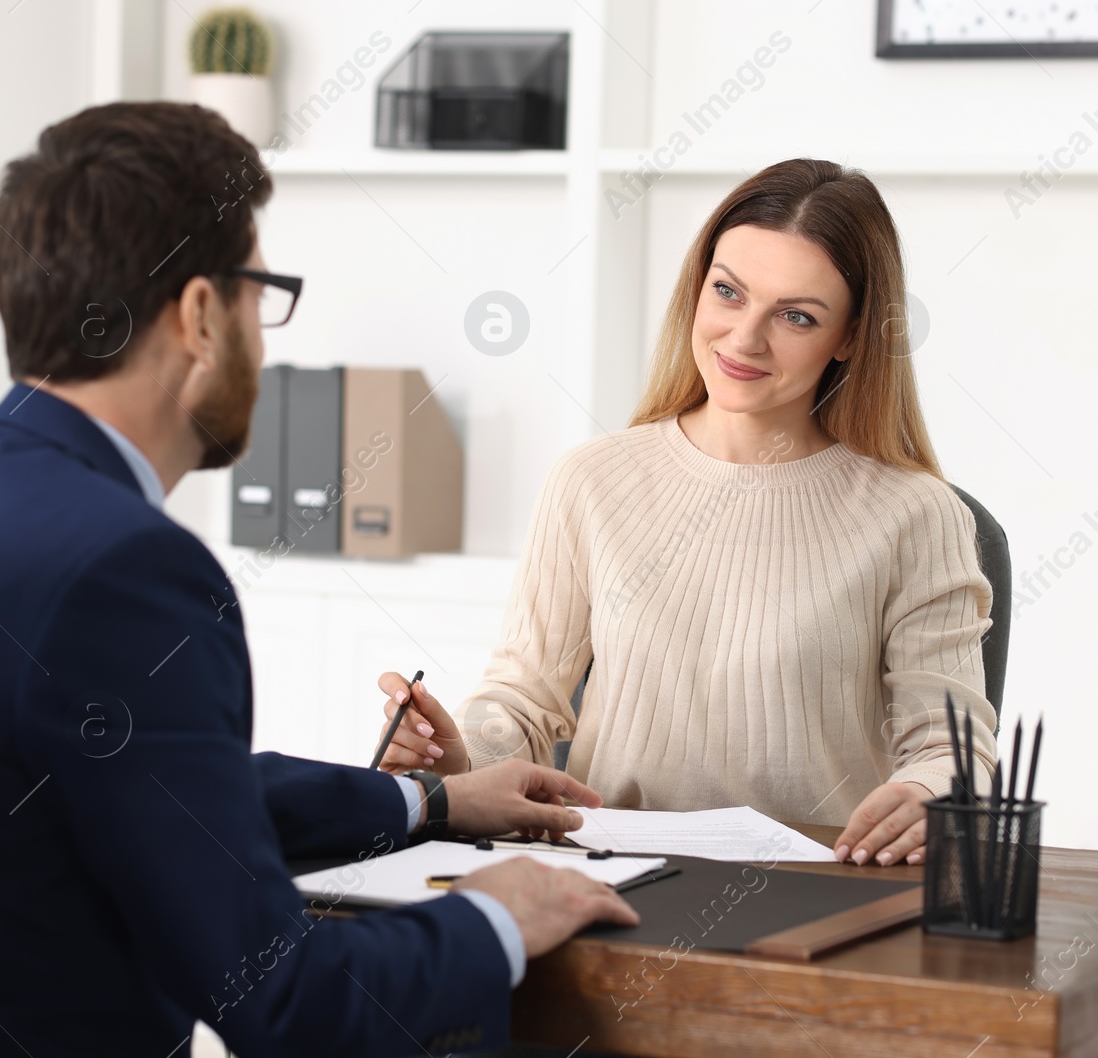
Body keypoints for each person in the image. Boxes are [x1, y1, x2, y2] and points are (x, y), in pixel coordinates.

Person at [0, 101, 637, 1058]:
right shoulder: (127, 568)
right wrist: (495, 915)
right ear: (202, 313)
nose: (263, 329)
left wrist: (433, 803)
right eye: (258, 293)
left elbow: (148, 789)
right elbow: (283, 1006)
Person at [375, 158, 996, 870]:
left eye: (796, 315)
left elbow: (954, 748)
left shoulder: (917, 514)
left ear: (852, 336)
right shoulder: (592, 480)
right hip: (607, 876)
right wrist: (457, 754)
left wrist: (928, 791)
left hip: (816, 886)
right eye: (728, 292)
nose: (745, 338)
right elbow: (524, 697)